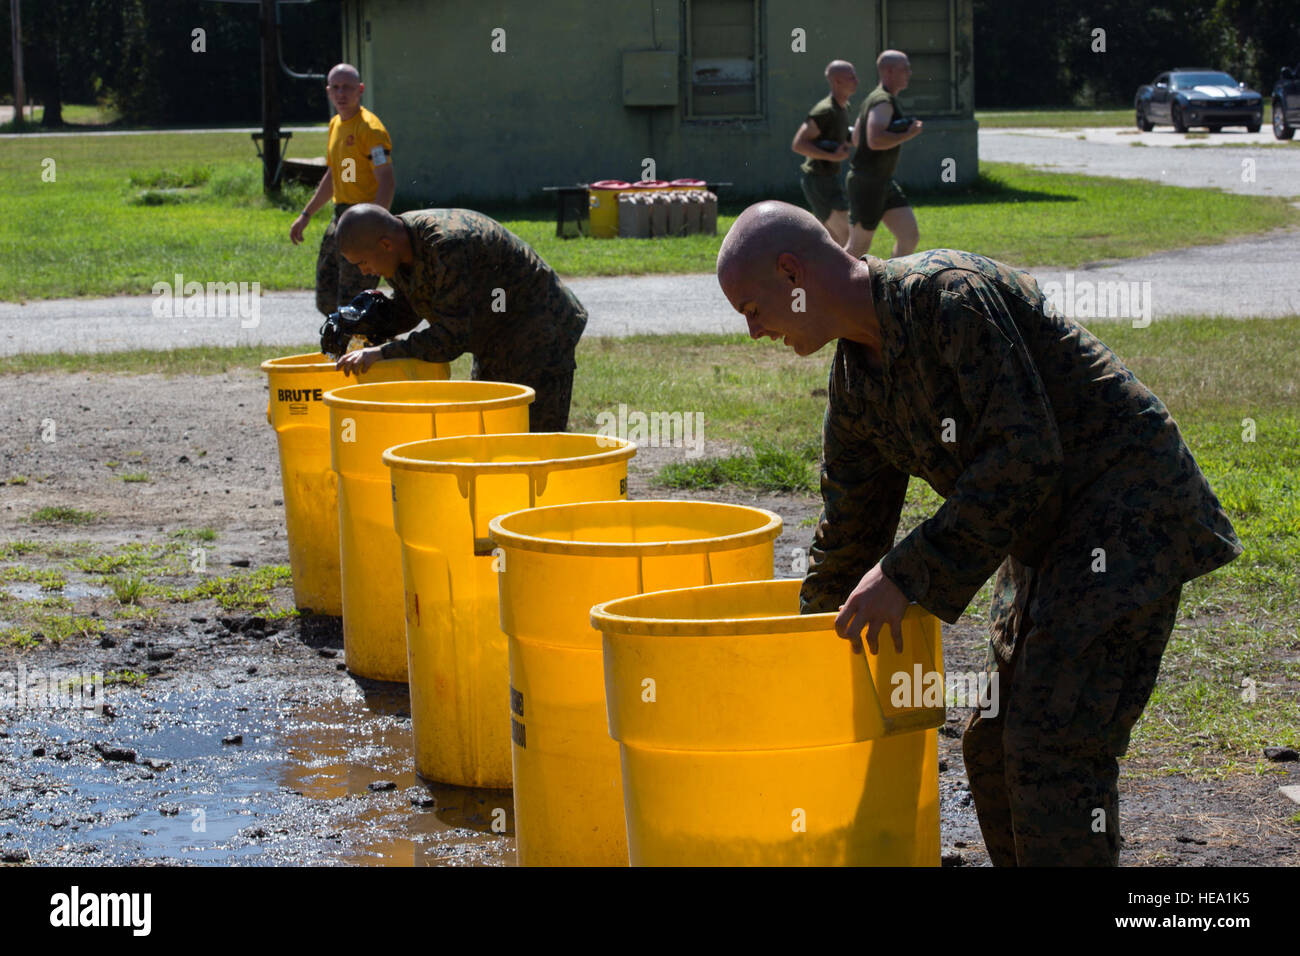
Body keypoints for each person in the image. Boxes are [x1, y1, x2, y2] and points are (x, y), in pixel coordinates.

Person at [716, 201, 1242, 866]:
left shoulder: (947, 297)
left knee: (1052, 747)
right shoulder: (856, 378)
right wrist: (798, 666)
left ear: (792, 272)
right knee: (991, 747)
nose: (754, 331)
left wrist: (906, 573)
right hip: (1044, 535)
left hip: (1128, 513)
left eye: (751, 309)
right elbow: (849, 534)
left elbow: (1024, 456)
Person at [330, 204, 587, 433]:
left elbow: (450, 338)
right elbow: (410, 307)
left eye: (363, 262)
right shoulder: (397, 247)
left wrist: (383, 353)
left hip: (540, 330)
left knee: (536, 444)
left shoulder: (446, 245)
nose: (364, 271)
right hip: (496, 335)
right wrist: (364, 327)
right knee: (492, 439)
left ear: (385, 244)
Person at [289, 63, 395, 318]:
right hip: (340, 217)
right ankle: (348, 346)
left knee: (354, 304)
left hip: (364, 218)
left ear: (360, 90)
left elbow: (387, 181)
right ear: (328, 91)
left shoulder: (370, 129)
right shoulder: (336, 124)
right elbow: (336, 174)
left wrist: (375, 228)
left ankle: (375, 350)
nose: (341, 93)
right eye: (335, 87)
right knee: (326, 299)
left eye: (347, 87)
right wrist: (306, 214)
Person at [845, 50, 922, 258]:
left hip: (883, 181)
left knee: (909, 236)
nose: (909, 72)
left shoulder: (875, 98)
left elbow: (856, 139)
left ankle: (893, 284)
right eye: (904, 68)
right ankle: (829, 285)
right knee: (858, 247)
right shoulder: (883, 101)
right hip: (867, 184)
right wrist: (908, 133)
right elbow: (874, 139)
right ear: (889, 71)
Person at [792, 60, 857, 245]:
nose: (856, 81)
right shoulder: (825, 110)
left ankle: (812, 270)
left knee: (830, 240)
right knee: (846, 237)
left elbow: (839, 136)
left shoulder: (843, 107)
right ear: (837, 81)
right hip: (818, 180)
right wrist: (832, 156)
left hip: (830, 178)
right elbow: (799, 144)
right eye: (851, 77)